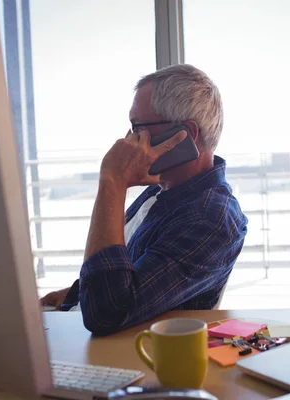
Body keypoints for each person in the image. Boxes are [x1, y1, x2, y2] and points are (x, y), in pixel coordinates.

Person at [40, 64, 248, 335]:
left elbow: (108, 312)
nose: (128, 140)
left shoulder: (210, 218)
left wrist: (112, 182)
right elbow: (129, 273)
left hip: (124, 356)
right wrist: (69, 297)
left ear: (185, 134)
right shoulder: (160, 190)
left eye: (138, 126)